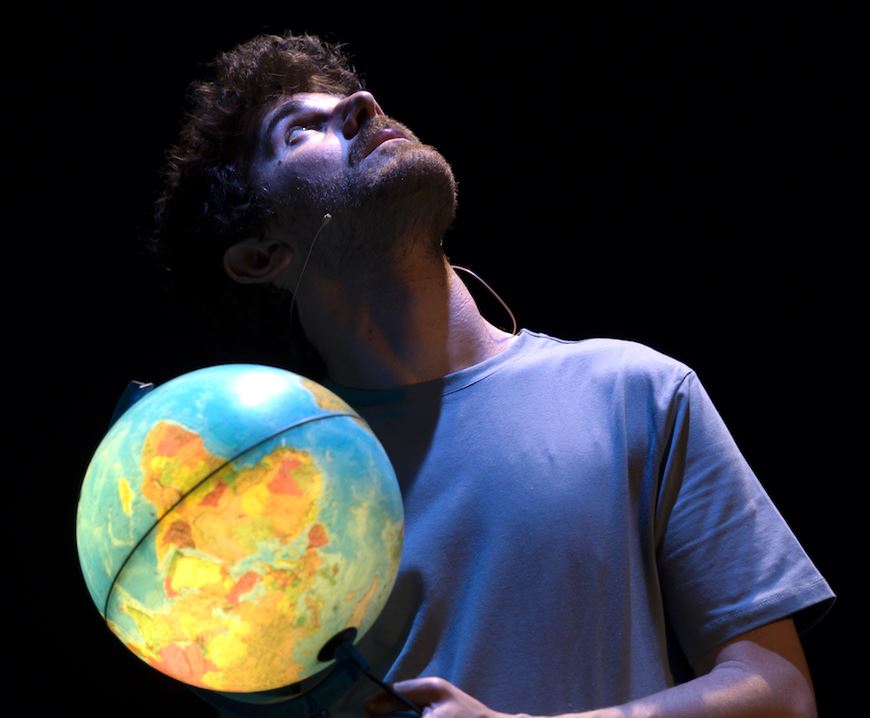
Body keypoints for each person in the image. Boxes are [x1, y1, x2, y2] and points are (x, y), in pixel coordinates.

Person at [142, 31, 836, 718]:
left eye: (355, 98)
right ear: (261, 257)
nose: (363, 103)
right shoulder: (272, 494)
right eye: (299, 131)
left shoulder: (639, 392)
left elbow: (781, 694)